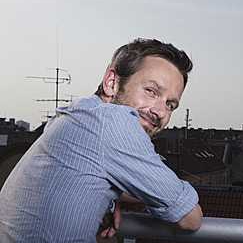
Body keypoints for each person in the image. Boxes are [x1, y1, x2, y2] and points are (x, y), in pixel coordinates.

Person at [0, 38, 203, 242]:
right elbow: (190, 218)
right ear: (112, 83)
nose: (160, 111)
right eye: (151, 91)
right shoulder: (115, 121)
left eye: (169, 104)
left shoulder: (78, 112)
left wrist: (110, 196)